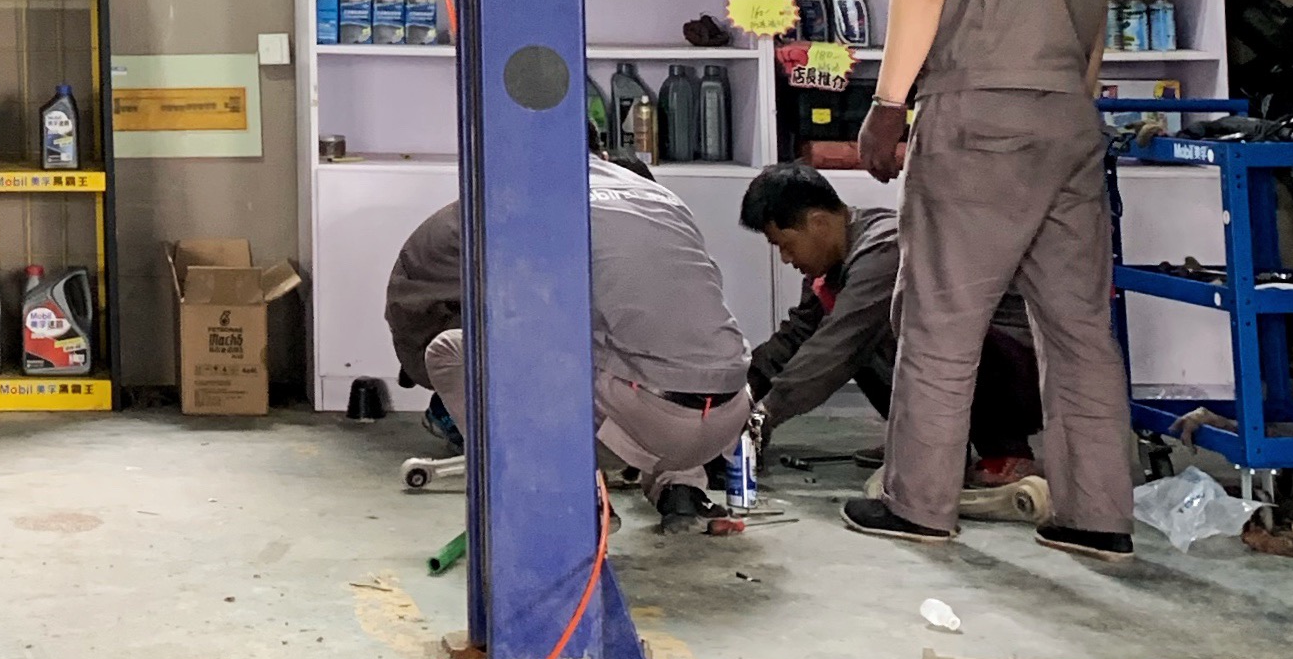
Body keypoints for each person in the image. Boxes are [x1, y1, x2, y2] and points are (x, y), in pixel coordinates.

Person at [844, 0, 1133, 557]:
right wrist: (1071, 104)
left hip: (977, 110)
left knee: (940, 313)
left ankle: (919, 504)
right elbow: (1093, 10)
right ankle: (1097, 516)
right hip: (1070, 117)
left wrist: (888, 104)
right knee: (1079, 328)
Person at [421, 152, 750, 527]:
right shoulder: (661, 196)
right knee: (659, 337)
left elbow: (526, 324)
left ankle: (557, 499)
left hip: (650, 423)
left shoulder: (541, 201)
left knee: (451, 351)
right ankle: (681, 489)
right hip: (729, 416)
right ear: (602, 156)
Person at [739, 160, 1042, 477]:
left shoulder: (884, 248)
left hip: (1015, 365)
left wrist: (766, 414)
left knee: (853, 340)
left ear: (817, 222)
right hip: (982, 365)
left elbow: (838, 347)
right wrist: (742, 393)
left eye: (786, 245)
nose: (786, 259)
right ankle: (921, 439)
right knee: (850, 333)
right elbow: (796, 337)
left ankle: (1005, 451)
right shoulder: (833, 269)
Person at [383, 199, 465, 446]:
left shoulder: (488, 205)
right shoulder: (489, 222)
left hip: (433, 328)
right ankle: (450, 410)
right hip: (432, 340)